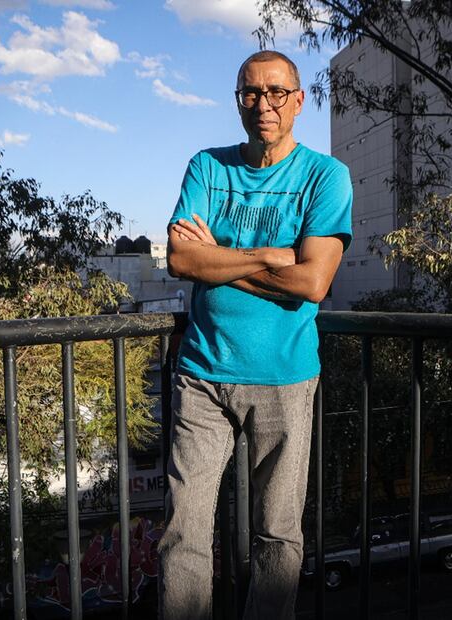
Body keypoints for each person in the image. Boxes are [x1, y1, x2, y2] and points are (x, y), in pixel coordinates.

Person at [159, 50, 353, 619]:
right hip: (202, 376)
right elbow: (178, 260)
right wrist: (269, 257)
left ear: (297, 100)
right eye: (250, 93)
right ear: (238, 101)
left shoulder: (324, 175)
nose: (262, 105)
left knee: (277, 535)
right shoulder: (207, 168)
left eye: (275, 93)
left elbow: (314, 282)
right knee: (184, 534)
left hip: (285, 379)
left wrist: (215, 256)